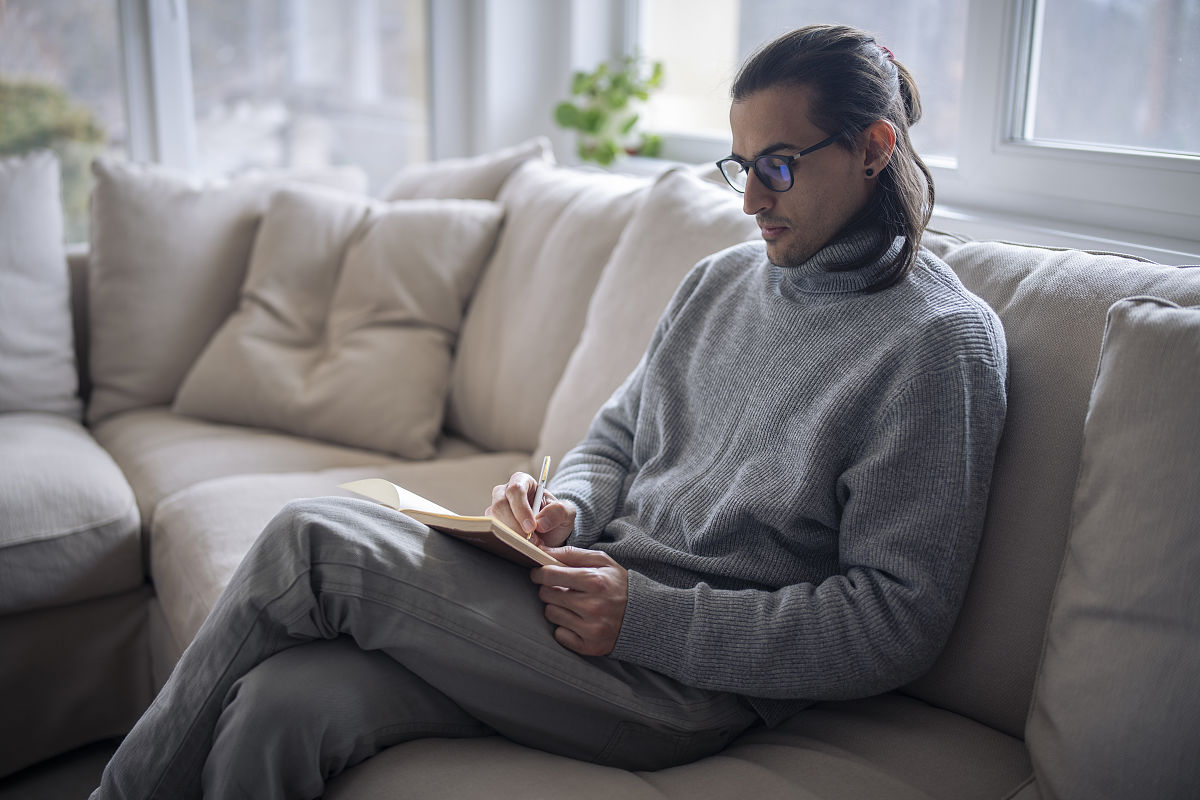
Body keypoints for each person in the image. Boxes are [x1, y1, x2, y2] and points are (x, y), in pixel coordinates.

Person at [92, 23, 1007, 799]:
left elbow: (894, 622)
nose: (754, 200)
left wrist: (647, 618)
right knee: (279, 709)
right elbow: (614, 435)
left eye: (778, 164)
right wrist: (568, 505)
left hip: (678, 682)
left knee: (310, 539)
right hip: (575, 603)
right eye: (740, 165)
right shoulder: (722, 282)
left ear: (876, 148)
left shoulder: (937, 346)